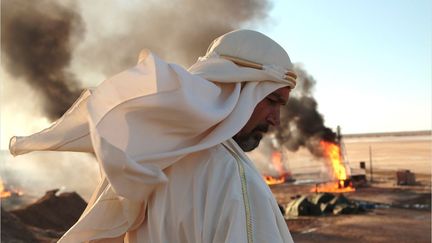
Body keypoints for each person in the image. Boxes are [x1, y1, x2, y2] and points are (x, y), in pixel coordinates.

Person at [9, 29, 297, 242]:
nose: (275, 119)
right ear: (237, 88)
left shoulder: (148, 157)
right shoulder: (231, 175)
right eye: (272, 101)